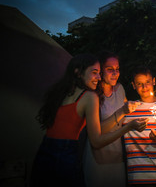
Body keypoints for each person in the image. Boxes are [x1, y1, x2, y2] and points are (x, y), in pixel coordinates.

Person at [30, 53, 147, 187]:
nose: (98, 77)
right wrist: (129, 126)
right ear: (78, 72)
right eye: (95, 72)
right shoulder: (90, 96)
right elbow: (96, 141)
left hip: (44, 152)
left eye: (98, 73)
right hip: (69, 156)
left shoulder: (61, 92)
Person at [83, 51, 143, 186]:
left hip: (118, 157)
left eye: (117, 69)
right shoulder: (92, 95)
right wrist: (122, 111)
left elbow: (129, 114)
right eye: (110, 69)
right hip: (98, 159)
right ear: (100, 71)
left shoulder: (119, 89)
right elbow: (96, 132)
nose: (115, 73)